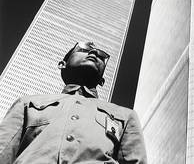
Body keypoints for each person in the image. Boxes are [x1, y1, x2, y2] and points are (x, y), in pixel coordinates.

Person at [0, 41, 147, 164]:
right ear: (62, 64)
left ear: (102, 81)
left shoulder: (125, 115)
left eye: (102, 56)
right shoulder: (27, 103)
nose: (94, 54)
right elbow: (3, 150)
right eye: (83, 49)